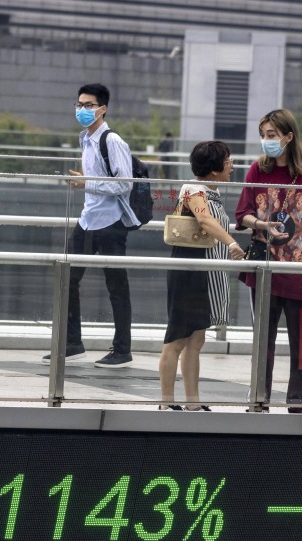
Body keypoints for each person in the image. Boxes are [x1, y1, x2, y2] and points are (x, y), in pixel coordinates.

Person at [234, 108, 302, 413]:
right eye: (263, 135)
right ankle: (259, 399)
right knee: (262, 343)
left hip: (300, 271)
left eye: (272, 135)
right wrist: (262, 224)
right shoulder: (257, 170)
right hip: (264, 271)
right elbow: (243, 214)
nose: (266, 141)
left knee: (301, 344)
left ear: (288, 137)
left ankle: (297, 403)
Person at [42, 83, 138, 368]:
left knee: (116, 286)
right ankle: (72, 343)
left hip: (111, 224)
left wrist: (87, 182)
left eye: (88, 105)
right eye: (79, 105)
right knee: (67, 279)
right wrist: (86, 182)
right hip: (88, 220)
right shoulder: (85, 139)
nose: (82, 110)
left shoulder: (113, 141)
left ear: (102, 109)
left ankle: (122, 350)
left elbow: (125, 184)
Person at [158, 141, 244, 411]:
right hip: (190, 271)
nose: (232, 166)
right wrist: (232, 243)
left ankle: (193, 402)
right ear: (214, 168)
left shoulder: (212, 192)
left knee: (196, 339)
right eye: (228, 161)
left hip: (206, 272)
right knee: (177, 338)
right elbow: (205, 221)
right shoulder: (194, 190)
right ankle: (166, 402)